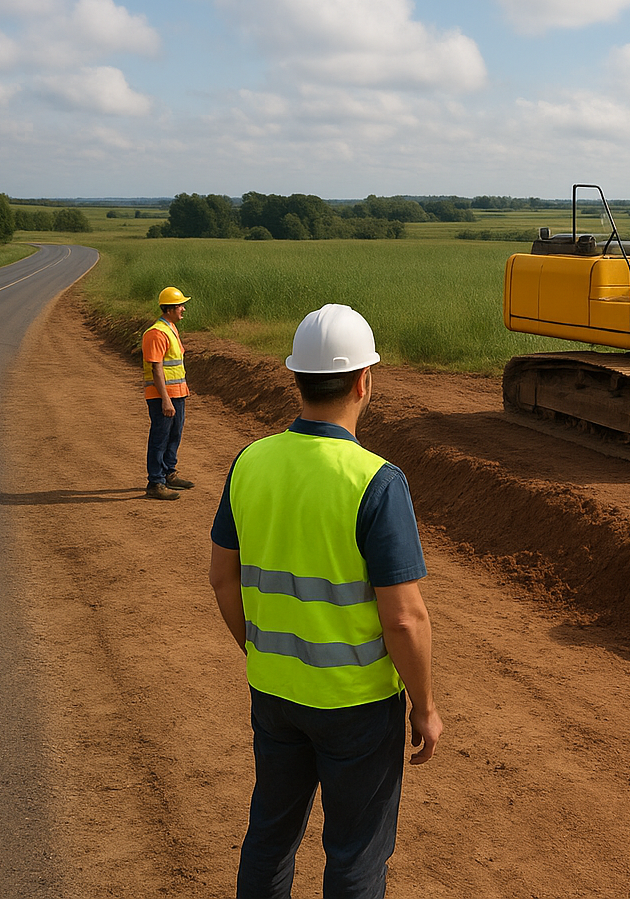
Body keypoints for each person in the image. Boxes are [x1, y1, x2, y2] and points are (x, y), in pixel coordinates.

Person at [208, 303, 441, 899]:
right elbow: (405, 618)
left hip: (274, 693)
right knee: (356, 854)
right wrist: (424, 706)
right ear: (364, 381)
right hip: (356, 706)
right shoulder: (376, 480)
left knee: (270, 835)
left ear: (297, 379)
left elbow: (222, 578)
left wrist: (260, 649)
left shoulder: (249, 462)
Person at [144, 287, 193, 501]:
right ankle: (155, 482)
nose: (183, 309)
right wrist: (165, 400)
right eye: (180, 305)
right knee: (160, 438)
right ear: (170, 309)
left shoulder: (170, 328)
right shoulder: (157, 333)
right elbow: (156, 369)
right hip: (162, 396)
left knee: (174, 435)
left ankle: (168, 473)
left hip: (177, 394)